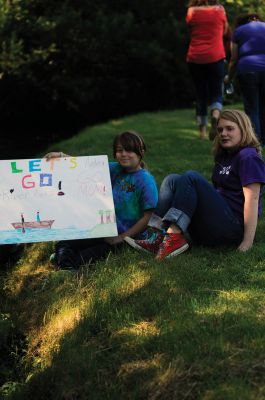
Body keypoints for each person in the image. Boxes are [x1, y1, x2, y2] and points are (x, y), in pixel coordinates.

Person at [125, 110, 265, 260]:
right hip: (212, 227)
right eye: (220, 130)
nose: (223, 133)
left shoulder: (248, 157)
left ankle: (174, 236)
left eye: (229, 129)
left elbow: (252, 200)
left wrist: (247, 242)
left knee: (191, 177)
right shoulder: (224, 156)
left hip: (232, 230)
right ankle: (155, 237)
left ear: (243, 129)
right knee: (172, 180)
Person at [45, 130, 158, 270]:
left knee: (83, 257)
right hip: (102, 230)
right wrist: (61, 156)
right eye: (119, 150)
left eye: (129, 150)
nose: (123, 154)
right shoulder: (115, 169)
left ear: (141, 151)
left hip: (124, 238)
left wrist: (122, 237)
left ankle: (65, 266)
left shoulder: (146, 181)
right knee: (63, 244)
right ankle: (63, 259)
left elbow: (146, 218)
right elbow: (84, 166)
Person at [186, 0, 229, 139]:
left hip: (195, 57)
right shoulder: (219, 10)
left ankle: (202, 132)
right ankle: (215, 115)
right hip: (215, 56)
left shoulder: (192, 11)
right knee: (216, 90)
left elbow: (190, 28)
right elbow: (226, 30)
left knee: (200, 93)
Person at [224, 13, 265, 145]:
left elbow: (234, 59)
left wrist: (229, 77)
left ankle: (256, 141)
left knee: (252, 108)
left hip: (247, 70)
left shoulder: (239, 31)